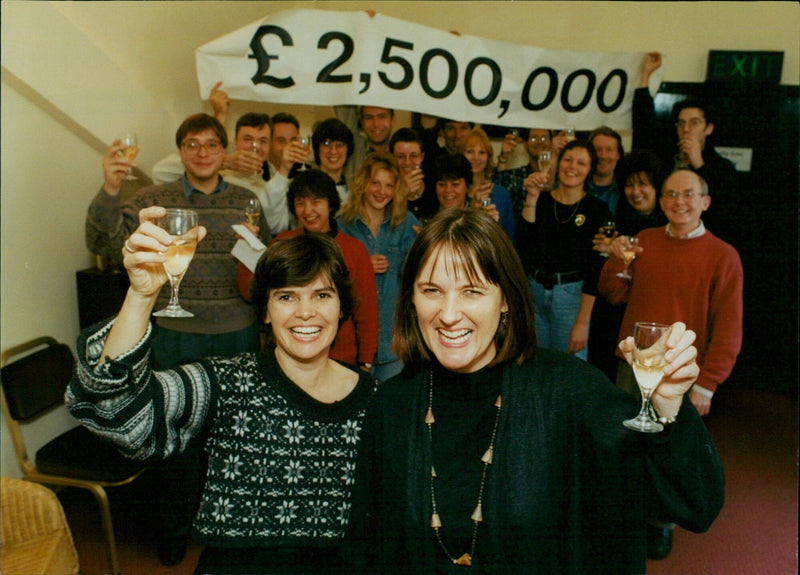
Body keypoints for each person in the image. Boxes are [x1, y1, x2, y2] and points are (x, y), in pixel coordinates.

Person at [344, 208, 724, 574]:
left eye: (472, 291)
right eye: (431, 290)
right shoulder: (392, 406)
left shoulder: (570, 392)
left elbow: (696, 504)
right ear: (411, 297)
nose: (448, 313)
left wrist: (670, 407)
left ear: (506, 298)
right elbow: (367, 547)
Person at [67, 224, 377, 574]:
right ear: (265, 311)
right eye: (286, 296)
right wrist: (140, 296)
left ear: (342, 307)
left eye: (322, 295)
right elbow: (118, 417)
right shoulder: (224, 383)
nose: (306, 312)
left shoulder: (376, 403)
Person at [85, 112, 271, 565]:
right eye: (193, 144)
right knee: (174, 438)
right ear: (181, 151)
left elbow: (260, 268)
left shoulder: (247, 201)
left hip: (236, 335)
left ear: (222, 151)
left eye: (212, 144)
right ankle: (174, 531)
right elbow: (104, 241)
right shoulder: (154, 199)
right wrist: (111, 189)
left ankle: (227, 534)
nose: (203, 152)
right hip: (174, 336)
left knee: (233, 437)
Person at [599, 169, 742, 560]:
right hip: (632, 365)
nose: (680, 201)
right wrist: (614, 262)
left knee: (667, 453)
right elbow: (612, 293)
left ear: (705, 202)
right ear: (661, 202)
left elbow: (728, 327)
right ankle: (622, 515)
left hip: (678, 375)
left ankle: (661, 524)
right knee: (622, 443)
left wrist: (707, 384)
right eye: (671, 194)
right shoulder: (643, 242)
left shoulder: (723, 255)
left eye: (689, 194)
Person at [257, 170, 379, 370]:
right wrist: (248, 244)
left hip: (342, 360)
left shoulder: (354, 249)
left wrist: (365, 360)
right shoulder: (282, 243)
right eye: (300, 203)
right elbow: (251, 292)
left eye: (316, 202)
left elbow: (366, 312)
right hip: (288, 359)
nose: (308, 210)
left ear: (330, 204)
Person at [515, 140, 611, 360]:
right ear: (558, 164)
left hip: (571, 298)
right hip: (535, 293)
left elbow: (595, 269)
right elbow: (523, 245)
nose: (572, 167)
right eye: (567, 159)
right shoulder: (542, 200)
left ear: (589, 170)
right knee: (536, 364)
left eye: (581, 163)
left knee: (569, 370)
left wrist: (582, 323)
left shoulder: (597, 210)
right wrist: (531, 195)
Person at [634, 51, 739, 244]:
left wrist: (699, 164)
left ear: (709, 128)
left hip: (701, 246)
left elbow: (725, 214)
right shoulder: (665, 158)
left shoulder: (723, 168)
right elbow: (644, 128)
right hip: (665, 239)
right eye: (681, 124)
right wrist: (645, 76)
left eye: (694, 123)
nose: (686, 129)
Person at [338, 154, 419, 381]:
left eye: (389, 185)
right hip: (353, 343)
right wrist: (361, 268)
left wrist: (424, 250)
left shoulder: (407, 223)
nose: (381, 191)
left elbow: (418, 279)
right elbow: (329, 280)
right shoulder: (342, 225)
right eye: (375, 183)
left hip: (393, 344)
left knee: (391, 410)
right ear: (363, 184)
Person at [588, 150, 668, 381]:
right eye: (630, 185)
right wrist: (609, 253)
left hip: (651, 314)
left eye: (643, 184)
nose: (635, 192)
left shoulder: (668, 227)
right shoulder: (618, 221)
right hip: (616, 315)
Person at [495, 127, 568, 214]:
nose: (540, 142)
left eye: (544, 138)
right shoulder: (516, 176)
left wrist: (557, 156)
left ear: (551, 142)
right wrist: (503, 157)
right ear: (525, 144)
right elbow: (497, 195)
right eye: (534, 138)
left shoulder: (565, 177)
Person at [461, 128, 516, 240]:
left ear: (488, 157)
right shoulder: (453, 192)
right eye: (470, 152)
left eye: (481, 152)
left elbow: (509, 238)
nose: (476, 158)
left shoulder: (501, 194)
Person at [390, 127, 439, 224]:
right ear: (392, 158)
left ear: (422, 157)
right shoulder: (385, 190)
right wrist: (402, 193)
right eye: (400, 156)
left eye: (413, 156)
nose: (407, 162)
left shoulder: (435, 186)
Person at [335, 105, 395, 185]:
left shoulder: (401, 155)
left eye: (382, 117)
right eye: (369, 118)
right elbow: (345, 107)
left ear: (393, 120)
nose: (376, 124)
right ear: (362, 122)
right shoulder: (354, 148)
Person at [586, 126, 625, 215]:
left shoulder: (627, 191)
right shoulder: (576, 188)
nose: (603, 156)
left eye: (609, 150)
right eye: (598, 149)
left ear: (618, 155)